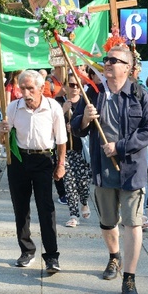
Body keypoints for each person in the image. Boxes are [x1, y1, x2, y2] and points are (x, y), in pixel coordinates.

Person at [72, 44, 148, 294]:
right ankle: (114, 257)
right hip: (102, 169)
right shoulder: (93, 92)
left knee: (132, 223)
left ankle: (129, 278)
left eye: (114, 60)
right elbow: (77, 128)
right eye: (106, 59)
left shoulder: (140, 95)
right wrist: (86, 119)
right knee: (108, 221)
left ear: (128, 67)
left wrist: (119, 146)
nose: (108, 63)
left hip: (131, 170)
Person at [0, 70, 67, 274]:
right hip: (18, 160)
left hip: (44, 159)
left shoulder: (53, 107)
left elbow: (61, 140)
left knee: (46, 208)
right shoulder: (13, 107)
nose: (26, 93)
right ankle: (26, 250)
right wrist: (1, 132)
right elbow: (2, 139)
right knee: (21, 207)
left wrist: (61, 164)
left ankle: (52, 256)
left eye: (30, 88)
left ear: (41, 88)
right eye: (23, 88)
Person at [59, 72, 92, 227]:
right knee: (69, 183)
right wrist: (62, 112)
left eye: (78, 85)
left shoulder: (85, 102)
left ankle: (84, 201)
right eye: (71, 85)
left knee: (83, 183)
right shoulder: (58, 102)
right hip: (65, 150)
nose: (75, 88)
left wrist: (76, 126)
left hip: (81, 149)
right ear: (65, 86)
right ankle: (73, 214)